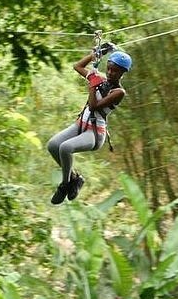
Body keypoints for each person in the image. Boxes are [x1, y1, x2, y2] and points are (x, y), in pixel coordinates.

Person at [46, 44, 132, 204]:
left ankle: (65, 185)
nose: (111, 73)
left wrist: (92, 82)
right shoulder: (99, 79)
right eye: (109, 69)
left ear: (123, 73)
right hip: (80, 125)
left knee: (65, 148)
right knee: (52, 145)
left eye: (116, 71)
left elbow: (93, 106)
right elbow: (77, 66)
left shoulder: (118, 92)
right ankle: (74, 178)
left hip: (94, 133)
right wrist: (96, 54)